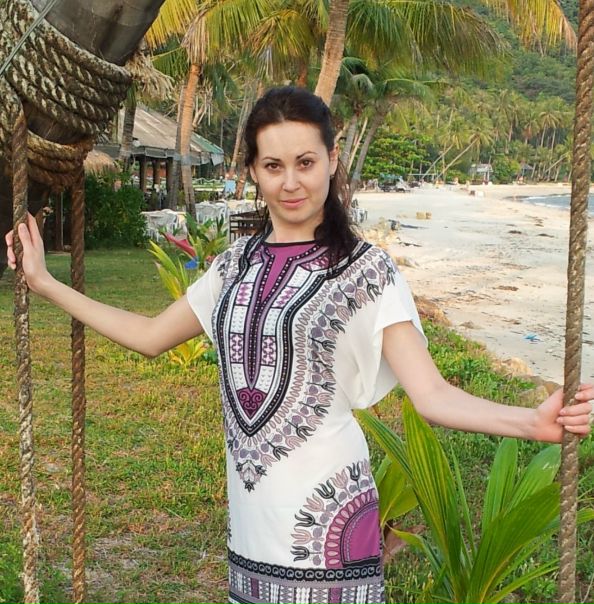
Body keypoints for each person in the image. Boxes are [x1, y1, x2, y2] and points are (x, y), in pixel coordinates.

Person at [6, 86, 594, 604]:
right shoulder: (233, 266)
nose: (291, 182)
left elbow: (432, 395)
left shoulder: (368, 272)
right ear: (253, 172)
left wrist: (530, 422)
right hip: (252, 525)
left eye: (306, 162)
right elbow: (150, 336)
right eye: (274, 165)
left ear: (332, 161)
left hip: (328, 522)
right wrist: (47, 283)